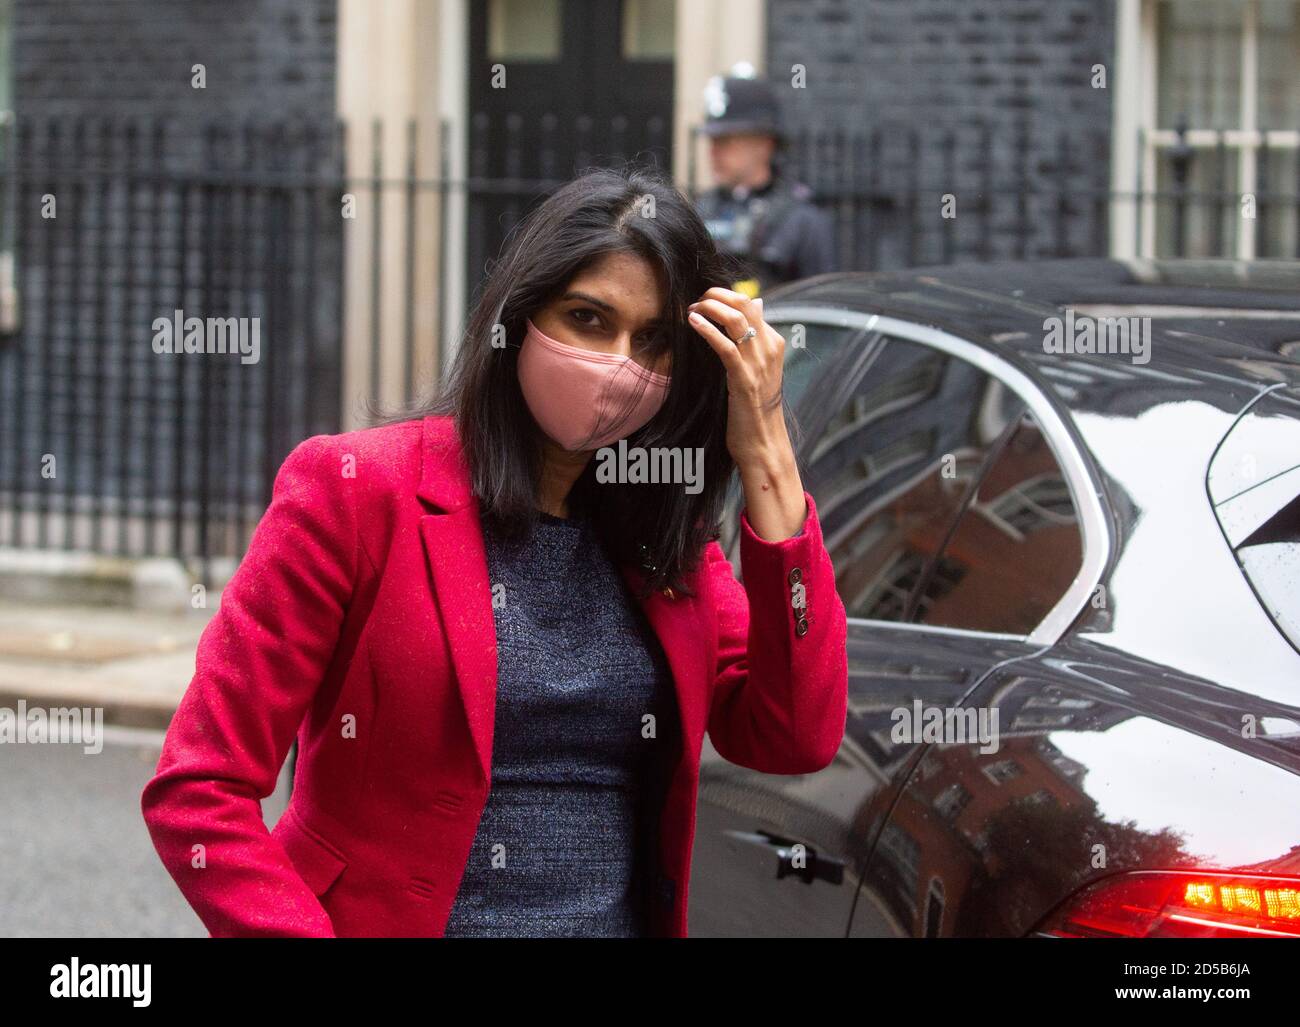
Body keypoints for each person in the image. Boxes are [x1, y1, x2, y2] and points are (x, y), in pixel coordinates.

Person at [139, 164, 849, 938]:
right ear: (518, 317)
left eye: (653, 341)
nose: (619, 363)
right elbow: (198, 787)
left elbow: (792, 735)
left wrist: (770, 459)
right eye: (586, 318)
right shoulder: (354, 491)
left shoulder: (666, 544)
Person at [695, 71, 838, 296]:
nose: (713, 152)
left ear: (765, 143)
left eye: (726, 141)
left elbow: (821, 302)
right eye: (712, 141)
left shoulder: (803, 220)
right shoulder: (701, 209)